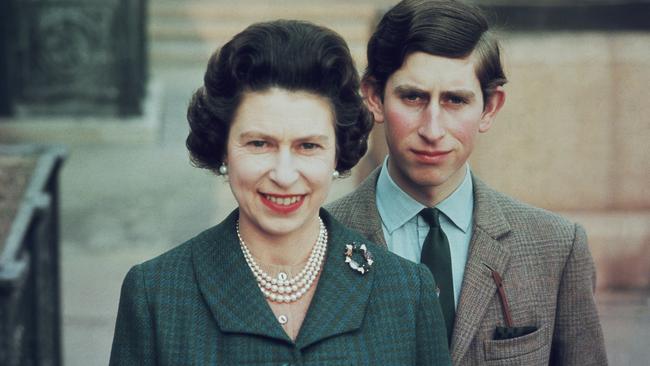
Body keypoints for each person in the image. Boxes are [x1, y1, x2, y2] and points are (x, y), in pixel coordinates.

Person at [109, 19, 451, 365]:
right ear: (223, 148)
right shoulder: (156, 293)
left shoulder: (407, 292)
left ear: (337, 153)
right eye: (260, 143)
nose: (284, 175)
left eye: (308, 146)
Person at [326, 0, 608, 365]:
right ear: (375, 97)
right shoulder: (318, 241)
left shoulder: (555, 247)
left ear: (490, 108)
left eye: (455, 100)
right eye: (413, 97)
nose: (432, 129)